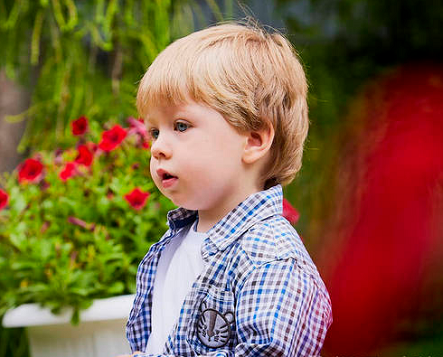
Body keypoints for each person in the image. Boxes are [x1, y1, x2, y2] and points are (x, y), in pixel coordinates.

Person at [123, 22, 333, 357]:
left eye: (180, 126)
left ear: (254, 140)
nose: (157, 147)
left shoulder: (269, 259)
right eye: (154, 132)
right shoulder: (179, 243)